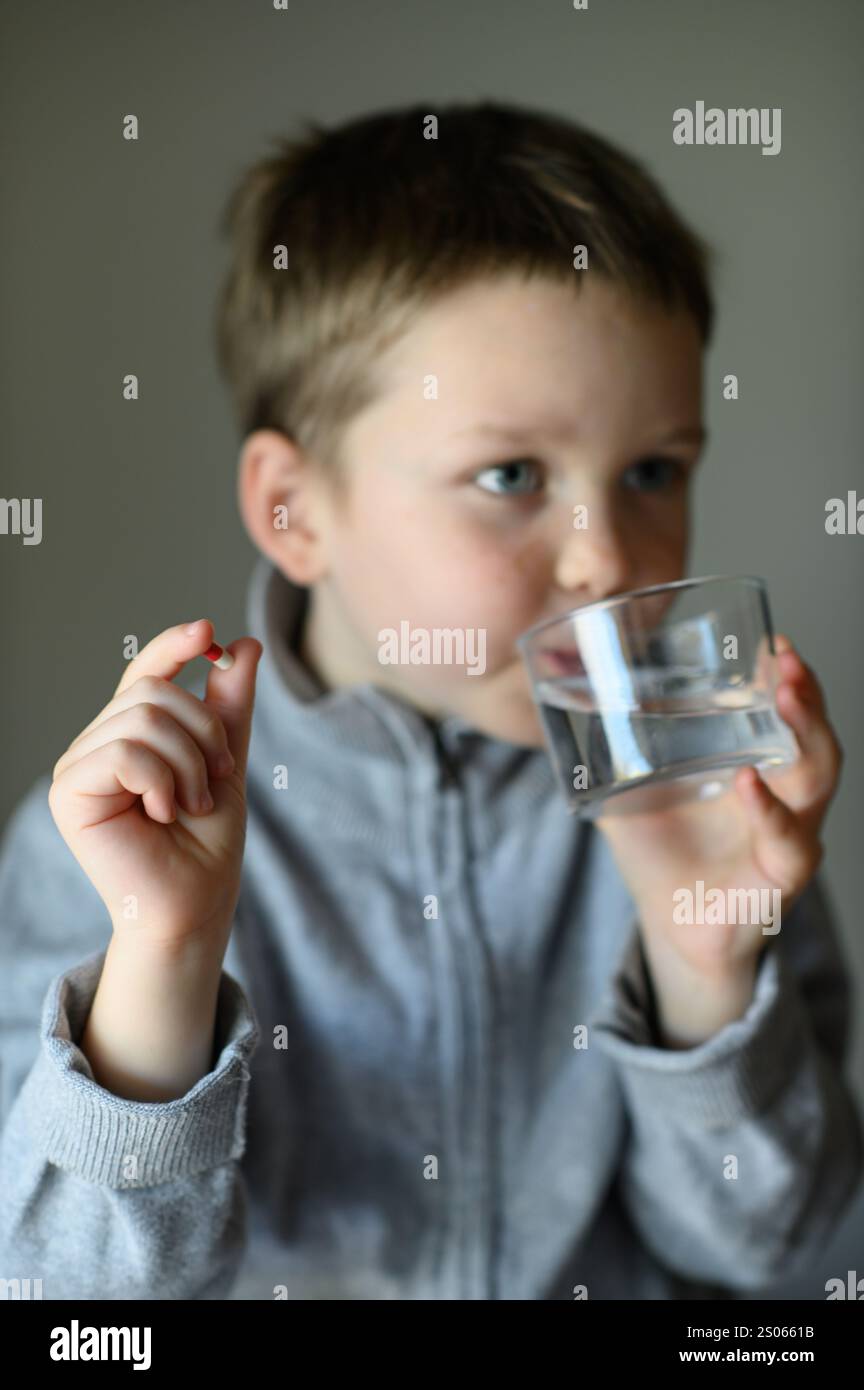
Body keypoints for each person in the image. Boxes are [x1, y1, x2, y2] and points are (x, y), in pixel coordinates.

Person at [1, 100, 860, 1300]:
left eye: (654, 470)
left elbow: (788, 1267)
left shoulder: (714, 803)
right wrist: (165, 959)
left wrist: (704, 970)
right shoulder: (109, 843)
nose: (607, 559)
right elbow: (64, 1306)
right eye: (510, 475)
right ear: (292, 509)